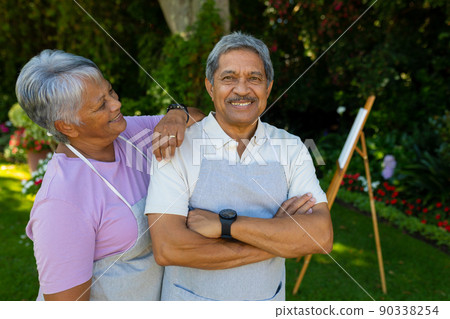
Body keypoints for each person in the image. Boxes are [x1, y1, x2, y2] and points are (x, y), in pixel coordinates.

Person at [145, 32, 333, 301]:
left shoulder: (291, 148)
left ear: (268, 88)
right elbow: (169, 247)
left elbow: (321, 236)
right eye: (229, 78)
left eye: (254, 78)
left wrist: (226, 225)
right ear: (211, 87)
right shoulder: (177, 146)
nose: (242, 89)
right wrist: (278, 241)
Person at [18, 49, 204, 301]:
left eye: (110, 91)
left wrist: (176, 113)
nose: (116, 104)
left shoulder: (130, 135)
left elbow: (199, 121)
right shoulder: (62, 202)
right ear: (66, 126)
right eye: (100, 105)